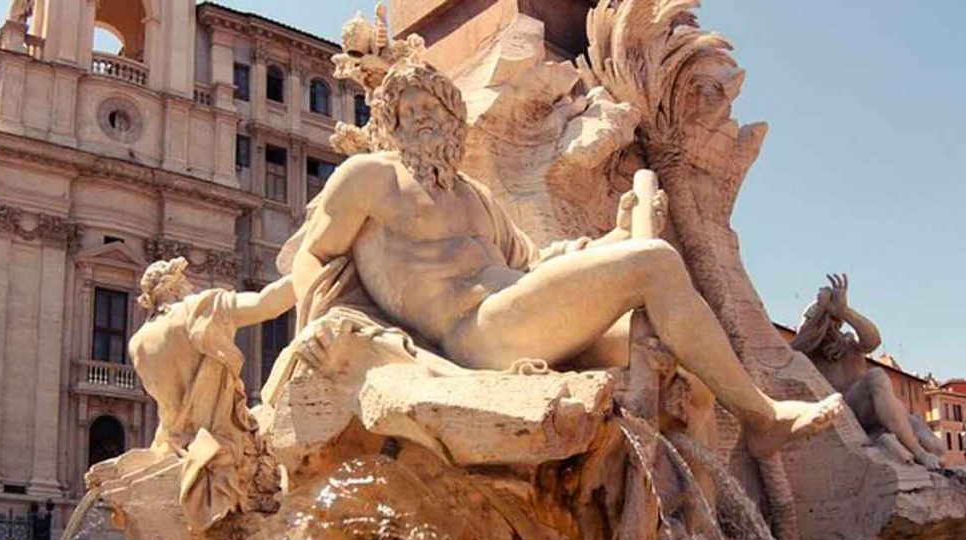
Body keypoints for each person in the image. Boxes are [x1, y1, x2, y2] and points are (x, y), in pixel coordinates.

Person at [286, 62, 842, 458]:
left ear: (454, 117)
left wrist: (614, 236)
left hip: (519, 311)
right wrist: (315, 328)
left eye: (431, 106)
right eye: (407, 111)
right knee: (653, 262)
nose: (420, 118)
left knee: (683, 362)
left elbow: (536, 266)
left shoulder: (476, 197)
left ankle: (688, 538)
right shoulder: (370, 178)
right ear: (390, 123)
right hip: (474, 333)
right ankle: (763, 417)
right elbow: (314, 254)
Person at [128, 257, 295, 531]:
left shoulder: (138, 343)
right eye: (185, 280)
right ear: (173, 285)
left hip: (175, 447)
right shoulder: (200, 309)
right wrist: (312, 264)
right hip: (225, 447)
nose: (190, 285)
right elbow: (268, 304)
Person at [792, 274, 943, 470]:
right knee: (876, 376)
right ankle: (918, 452)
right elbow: (796, 345)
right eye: (825, 322)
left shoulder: (849, 343)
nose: (831, 328)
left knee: (936, 446)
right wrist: (821, 309)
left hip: (878, 410)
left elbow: (873, 341)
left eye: (834, 323)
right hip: (844, 411)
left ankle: (910, 445)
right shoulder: (808, 351)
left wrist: (845, 311)